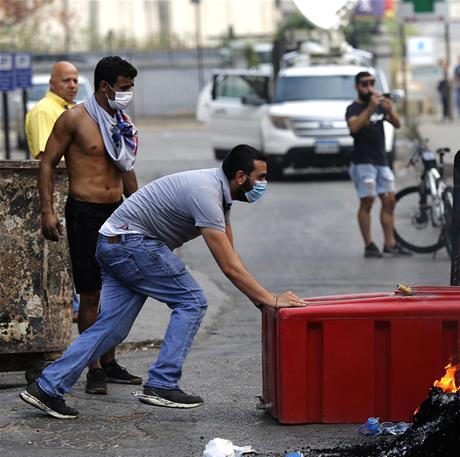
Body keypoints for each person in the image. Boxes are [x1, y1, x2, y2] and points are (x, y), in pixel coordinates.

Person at [20, 145, 306, 419]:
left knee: (111, 328)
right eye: (261, 178)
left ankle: (47, 387)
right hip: (131, 244)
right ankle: (162, 382)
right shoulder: (207, 193)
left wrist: (259, 299)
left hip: (114, 242)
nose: (264, 184)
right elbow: (229, 267)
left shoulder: (220, 196)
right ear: (241, 177)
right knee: (192, 300)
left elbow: (231, 258)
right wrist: (271, 298)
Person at [38, 56, 142, 396]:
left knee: (119, 292)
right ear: (104, 86)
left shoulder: (121, 121)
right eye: (124, 88)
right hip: (85, 213)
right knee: (91, 294)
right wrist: (47, 211)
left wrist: (142, 212)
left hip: (117, 213)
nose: (128, 94)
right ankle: (93, 368)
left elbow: (126, 169)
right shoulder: (74, 120)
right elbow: (48, 164)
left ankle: (110, 363)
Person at [345, 71, 411, 258]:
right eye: (364, 84)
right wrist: (371, 108)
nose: (369, 87)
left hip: (381, 160)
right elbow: (355, 128)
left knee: (389, 200)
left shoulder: (380, 106)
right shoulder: (353, 109)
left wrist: (389, 110)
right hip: (363, 161)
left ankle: (390, 244)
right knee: (367, 201)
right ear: (357, 86)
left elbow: (397, 124)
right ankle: (369, 245)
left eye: (371, 83)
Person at [25, 61, 79, 159]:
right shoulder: (43, 111)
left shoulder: (69, 108)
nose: (72, 85)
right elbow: (46, 158)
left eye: (75, 81)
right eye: (66, 80)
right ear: (52, 84)